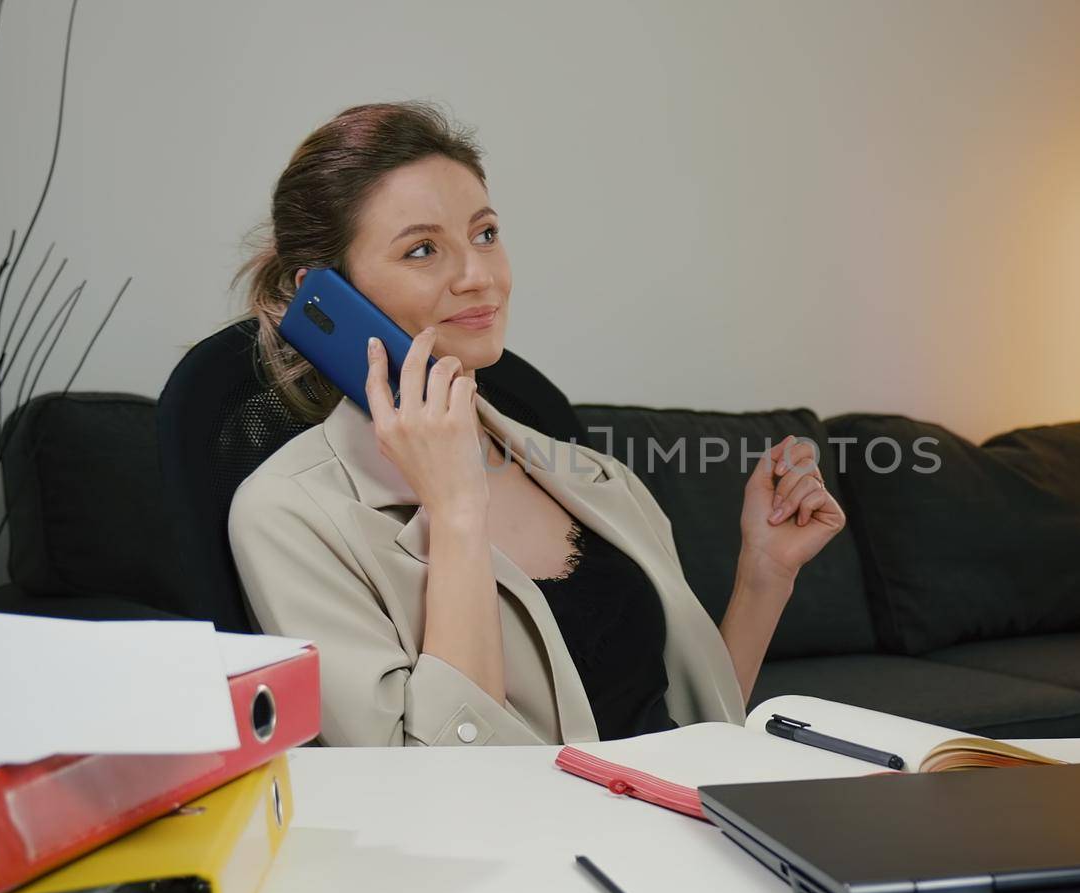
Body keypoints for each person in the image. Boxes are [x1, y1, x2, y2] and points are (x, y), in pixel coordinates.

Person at [227, 101, 847, 747]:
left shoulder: (596, 478)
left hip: (678, 834)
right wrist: (458, 511)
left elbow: (693, 738)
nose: (478, 276)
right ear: (323, 293)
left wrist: (764, 577)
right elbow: (427, 795)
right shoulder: (289, 517)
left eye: (485, 234)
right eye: (422, 250)